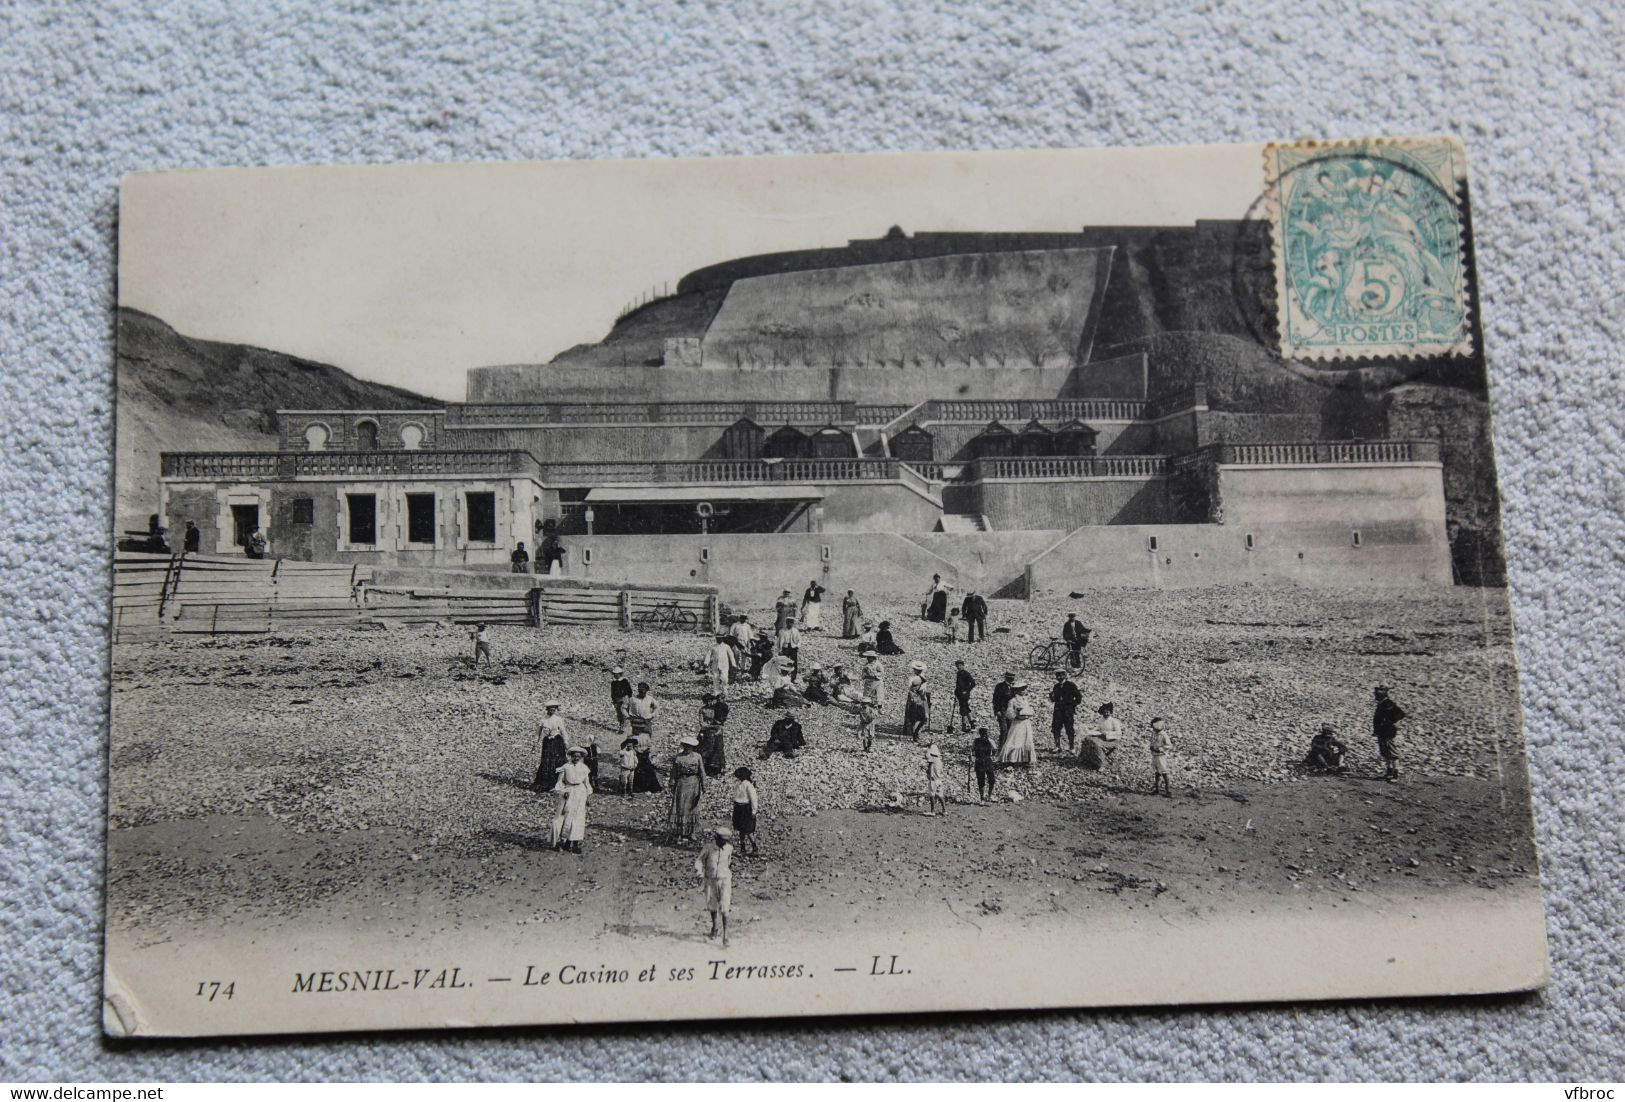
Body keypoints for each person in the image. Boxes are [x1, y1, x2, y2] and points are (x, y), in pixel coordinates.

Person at [550, 747, 593, 853]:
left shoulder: (584, 768)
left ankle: (575, 843)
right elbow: (560, 782)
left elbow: (586, 783)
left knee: (579, 817)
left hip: (580, 792)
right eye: (574, 756)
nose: (576, 758)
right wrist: (563, 791)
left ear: (581, 757)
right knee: (566, 816)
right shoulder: (566, 767)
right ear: (571, 756)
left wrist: (588, 796)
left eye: (578, 756)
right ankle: (563, 841)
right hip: (569, 792)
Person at [696, 827, 735, 947]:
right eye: (721, 840)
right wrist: (699, 873)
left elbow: (729, 862)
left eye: (725, 841)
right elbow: (699, 860)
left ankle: (726, 935)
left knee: (725, 906)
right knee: (712, 904)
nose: (723, 843)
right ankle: (715, 927)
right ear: (716, 838)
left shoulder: (729, 848)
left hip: (724, 880)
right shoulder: (708, 848)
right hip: (711, 879)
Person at [669, 735, 706, 844]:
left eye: (689, 746)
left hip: (694, 783)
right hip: (681, 783)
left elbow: (702, 771)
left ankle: (691, 832)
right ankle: (679, 832)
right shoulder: (678, 757)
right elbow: (674, 771)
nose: (687, 748)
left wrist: (704, 785)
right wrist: (671, 782)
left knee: (692, 807)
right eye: (685, 746)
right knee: (680, 807)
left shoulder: (697, 757)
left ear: (692, 747)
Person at [532, 702, 570, 793]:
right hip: (547, 742)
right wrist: (535, 744)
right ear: (547, 709)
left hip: (557, 742)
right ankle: (545, 783)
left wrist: (566, 742)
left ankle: (557, 783)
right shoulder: (543, 720)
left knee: (557, 760)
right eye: (551, 709)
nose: (552, 711)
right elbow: (538, 733)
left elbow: (563, 731)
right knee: (547, 761)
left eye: (554, 710)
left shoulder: (558, 719)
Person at [1373, 685, 1407, 781]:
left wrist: (1388, 723)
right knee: (1385, 752)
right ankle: (1389, 772)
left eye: (1378, 694)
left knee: (1392, 752)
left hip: (1387, 732)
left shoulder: (1388, 703)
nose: (1376, 696)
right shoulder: (1383, 703)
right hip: (1382, 732)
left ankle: (1395, 774)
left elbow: (1400, 714)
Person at [998, 683, 1037, 765]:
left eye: (1024, 689)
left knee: (1026, 740)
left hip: (1025, 723)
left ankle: (1025, 759)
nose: (1024, 691)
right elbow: (1009, 713)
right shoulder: (1012, 701)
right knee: (1015, 741)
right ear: (1016, 691)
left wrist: (1027, 714)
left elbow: (1030, 710)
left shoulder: (1025, 700)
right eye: (1022, 689)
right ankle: (1012, 759)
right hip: (1017, 723)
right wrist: (1016, 715)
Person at [1049, 669, 1082, 752]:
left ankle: (1072, 747)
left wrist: (1071, 705)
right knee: (1056, 727)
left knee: (1069, 728)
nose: (1059, 677)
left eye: (1061, 675)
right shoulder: (1056, 686)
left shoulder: (1070, 685)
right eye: (1057, 676)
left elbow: (1078, 697)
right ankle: (1057, 746)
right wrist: (1051, 697)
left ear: (1065, 675)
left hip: (1067, 711)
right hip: (1058, 710)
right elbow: (1055, 699)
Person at [699, 693, 731, 778]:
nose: (709, 703)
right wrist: (714, 726)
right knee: (707, 748)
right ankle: (705, 768)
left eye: (710, 701)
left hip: (717, 730)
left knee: (719, 748)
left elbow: (723, 714)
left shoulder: (716, 707)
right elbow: (702, 724)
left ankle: (718, 768)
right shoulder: (702, 710)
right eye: (707, 701)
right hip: (707, 731)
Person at [731, 768, 760, 856]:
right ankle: (742, 848)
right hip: (738, 808)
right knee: (741, 830)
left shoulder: (748, 785)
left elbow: (753, 798)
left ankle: (754, 848)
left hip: (746, 808)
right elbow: (736, 796)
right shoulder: (738, 784)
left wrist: (754, 810)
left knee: (748, 830)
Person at [903, 661, 931, 742]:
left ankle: (916, 733)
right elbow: (915, 689)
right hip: (918, 699)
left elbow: (910, 688)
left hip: (917, 699)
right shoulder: (917, 678)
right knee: (920, 717)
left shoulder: (915, 678)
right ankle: (915, 734)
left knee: (920, 717)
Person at [1148, 716, 1173, 796]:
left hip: (1161, 756)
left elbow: (1169, 745)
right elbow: (1152, 741)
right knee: (1157, 773)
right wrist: (1151, 747)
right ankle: (1157, 789)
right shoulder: (1154, 734)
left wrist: (1160, 749)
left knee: (1164, 772)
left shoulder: (1163, 735)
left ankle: (1168, 791)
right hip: (1155, 755)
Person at [628, 682, 657, 747]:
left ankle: (646, 753)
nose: (642, 692)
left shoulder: (650, 699)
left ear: (646, 691)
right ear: (638, 690)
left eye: (644, 691)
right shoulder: (633, 699)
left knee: (647, 739)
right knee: (636, 739)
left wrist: (653, 715)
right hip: (636, 722)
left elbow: (656, 707)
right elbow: (624, 707)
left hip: (646, 721)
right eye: (641, 691)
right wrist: (628, 716)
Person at [972, 727, 996, 802]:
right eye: (982, 733)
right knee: (981, 781)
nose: (984, 735)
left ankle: (989, 796)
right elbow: (972, 751)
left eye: (985, 733)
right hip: (980, 762)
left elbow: (995, 749)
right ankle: (982, 798)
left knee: (992, 780)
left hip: (987, 761)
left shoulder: (990, 741)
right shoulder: (976, 741)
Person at [991, 671, 1017, 743]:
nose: (1012, 680)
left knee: (1011, 729)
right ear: (1006, 678)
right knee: (1003, 729)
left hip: (1012, 711)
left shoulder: (1015, 687)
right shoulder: (1000, 686)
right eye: (1010, 678)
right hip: (1002, 710)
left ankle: (1008, 746)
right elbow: (995, 699)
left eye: (1013, 678)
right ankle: (1002, 746)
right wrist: (997, 710)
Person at [924, 742, 947, 816]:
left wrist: (928, 772)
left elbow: (930, 773)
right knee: (940, 794)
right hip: (939, 780)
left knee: (932, 795)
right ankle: (944, 810)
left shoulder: (932, 763)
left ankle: (932, 811)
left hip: (933, 780)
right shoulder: (940, 762)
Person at [609, 667, 633, 736]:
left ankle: (625, 727)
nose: (615, 675)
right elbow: (612, 692)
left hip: (624, 698)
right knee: (619, 713)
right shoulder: (613, 682)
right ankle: (621, 726)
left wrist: (629, 698)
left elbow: (629, 690)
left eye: (617, 674)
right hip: (617, 699)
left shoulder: (624, 681)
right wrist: (613, 700)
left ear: (620, 674)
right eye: (614, 674)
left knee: (624, 712)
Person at [953, 659, 976, 733]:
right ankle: (972, 724)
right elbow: (958, 684)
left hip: (964, 695)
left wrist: (967, 690)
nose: (958, 667)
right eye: (957, 666)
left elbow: (973, 683)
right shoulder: (958, 673)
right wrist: (956, 692)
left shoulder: (966, 673)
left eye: (960, 665)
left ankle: (964, 726)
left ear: (963, 666)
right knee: (966, 708)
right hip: (960, 694)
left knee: (963, 709)